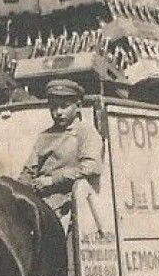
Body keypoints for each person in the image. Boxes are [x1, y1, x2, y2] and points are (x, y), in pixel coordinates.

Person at [19, 78, 104, 230]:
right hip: (41, 202)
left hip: (70, 206)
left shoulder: (85, 132)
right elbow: (29, 171)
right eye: (53, 107)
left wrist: (53, 180)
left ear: (78, 106)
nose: (58, 112)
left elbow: (91, 167)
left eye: (64, 106)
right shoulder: (44, 137)